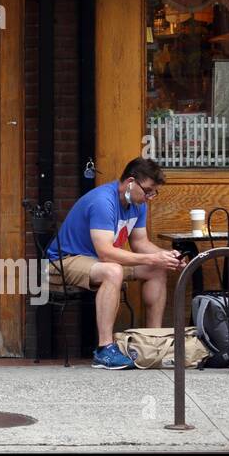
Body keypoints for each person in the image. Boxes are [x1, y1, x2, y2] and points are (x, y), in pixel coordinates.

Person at [45, 157, 183, 369]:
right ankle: (104, 350)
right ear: (130, 182)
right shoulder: (103, 201)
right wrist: (151, 257)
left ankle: (152, 342)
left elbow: (140, 243)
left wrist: (166, 257)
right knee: (113, 271)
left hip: (97, 261)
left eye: (153, 192)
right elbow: (106, 252)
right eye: (147, 191)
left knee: (157, 269)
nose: (149, 197)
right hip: (63, 261)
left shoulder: (137, 203)